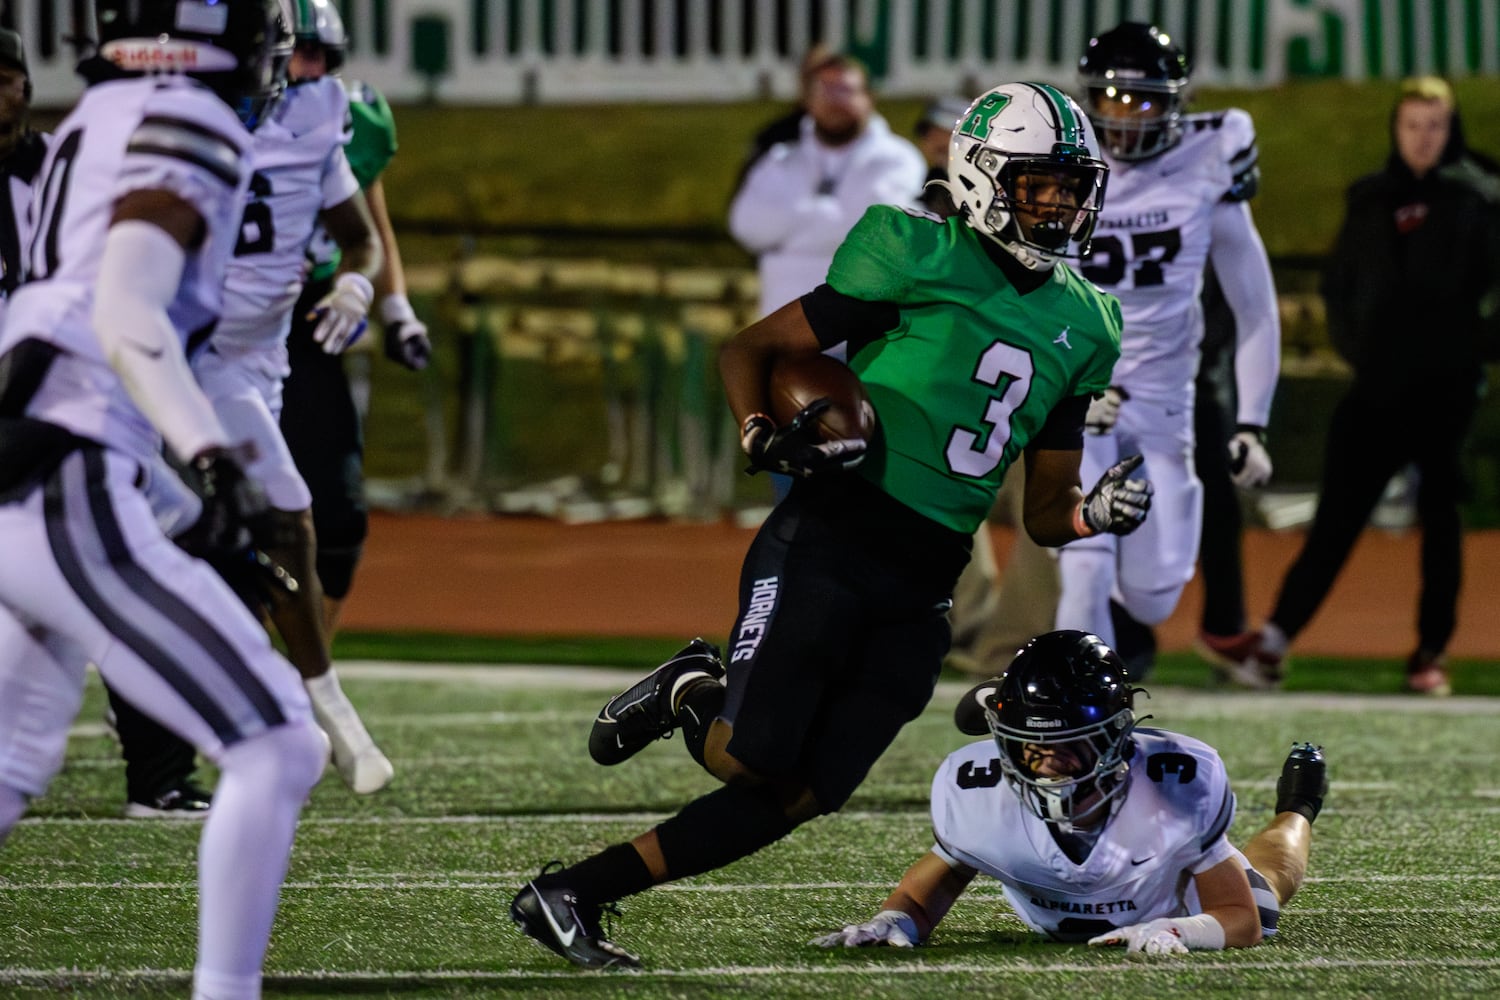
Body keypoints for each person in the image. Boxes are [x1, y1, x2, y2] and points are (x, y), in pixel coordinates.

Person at [509, 82, 1155, 969]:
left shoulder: (1090, 322)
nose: (1060, 204)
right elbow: (753, 348)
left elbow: (1044, 515)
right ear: (980, 176)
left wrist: (1094, 513)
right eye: (1039, 184)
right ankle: (694, 690)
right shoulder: (914, 249)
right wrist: (760, 433)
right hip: (834, 539)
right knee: (752, 760)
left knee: (805, 792)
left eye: (1073, 188)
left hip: (927, 581)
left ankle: (572, 893)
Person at [0, 3, 327, 998]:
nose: (275, 51)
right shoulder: (191, 115)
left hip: (28, 446)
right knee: (278, 738)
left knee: (12, 749)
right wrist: (213, 458)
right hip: (68, 458)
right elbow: (127, 308)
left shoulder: (97, 113)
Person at [108, 0, 395, 801]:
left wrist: (360, 284)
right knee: (280, 510)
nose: (287, 70)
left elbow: (360, 229)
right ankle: (317, 703)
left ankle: (168, 716)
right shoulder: (172, 119)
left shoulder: (316, 114)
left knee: (180, 544)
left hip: (262, 358)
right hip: (187, 353)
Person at [1220, 76, 1500, 695]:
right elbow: (1339, 283)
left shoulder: (1479, 199)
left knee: (1442, 521)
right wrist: (1357, 347)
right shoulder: (1369, 197)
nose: (1423, 139)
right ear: (1396, 130)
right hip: (1376, 388)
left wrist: (1474, 346)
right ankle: (1275, 639)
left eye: (1435, 126)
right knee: (1337, 518)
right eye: (1412, 126)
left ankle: (1430, 653)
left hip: (1447, 390)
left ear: (1451, 130)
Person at [819, 631, 1326, 954]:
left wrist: (1183, 931)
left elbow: (1239, 921)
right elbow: (921, 895)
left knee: (1266, 893)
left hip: (1171, 902)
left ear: (1115, 737)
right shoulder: (976, 790)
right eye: (1031, 744)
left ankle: (1298, 807)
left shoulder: (1175, 785)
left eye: (1069, 745)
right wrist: (895, 922)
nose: (1048, 762)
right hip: (1052, 916)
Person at [1053, 23, 1281, 658]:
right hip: (1077, 395)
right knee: (1086, 562)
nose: (1126, 117)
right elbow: (1018, 292)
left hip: (1164, 401)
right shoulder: (1057, 166)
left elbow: (1254, 303)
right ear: (1088, 99)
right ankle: (1075, 715)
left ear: (1175, 102)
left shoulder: (1211, 154)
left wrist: (1251, 423)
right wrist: (1061, 388)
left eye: (1144, 100)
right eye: (1113, 100)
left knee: (1156, 593)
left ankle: (1122, 622)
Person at [279, 0, 432, 652]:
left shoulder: (351, 118)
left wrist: (395, 309)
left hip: (312, 324)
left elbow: (371, 227)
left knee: (337, 524)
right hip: (219, 333)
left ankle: (300, 676)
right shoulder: (217, 115)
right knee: (210, 519)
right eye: (293, 52)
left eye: (317, 56)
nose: (303, 68)